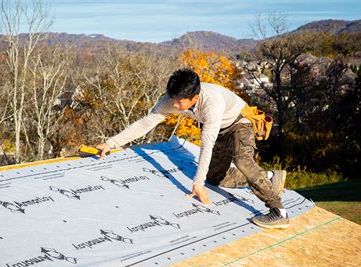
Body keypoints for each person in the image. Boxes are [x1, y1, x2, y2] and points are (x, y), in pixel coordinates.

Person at [96, 68, 288, 229]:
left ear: (195, 97)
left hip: (239, 122)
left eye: (180, 102)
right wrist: (111, 143)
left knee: (242, 160)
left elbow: (207, 144)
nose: (175, 106)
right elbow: (145, 124)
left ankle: (278, 211)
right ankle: (269, 177)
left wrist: (197, 183)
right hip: (220, 128)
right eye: (173, 100)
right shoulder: (170, 100)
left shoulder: (212, 102)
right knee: (215, 178)